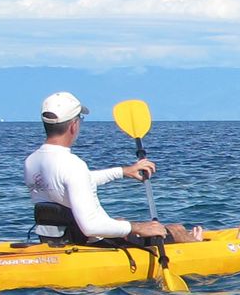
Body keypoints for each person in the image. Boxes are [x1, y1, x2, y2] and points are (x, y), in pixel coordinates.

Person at [24, 91, 201, 245]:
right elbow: (90, 226)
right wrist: (139, 227)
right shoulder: (72, 164)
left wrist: (123, 171)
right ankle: (197, 246)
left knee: (119, 222)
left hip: (62, 239)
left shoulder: (32, 161)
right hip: (94, 244)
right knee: (176, 230)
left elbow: (72, 182)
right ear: (73, 125)